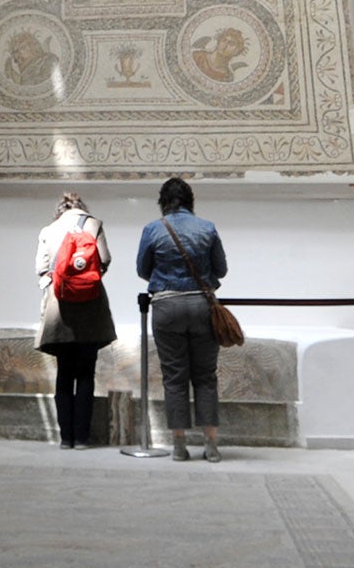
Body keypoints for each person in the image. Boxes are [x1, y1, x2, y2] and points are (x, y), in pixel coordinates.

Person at [136, 176, 227, 462]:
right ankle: (210, 444)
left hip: (166, 307)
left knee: (174, 377)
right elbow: (221, 270)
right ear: (191, 201)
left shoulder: (153, 229)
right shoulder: (208, 228)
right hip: (202, 306)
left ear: (163, 202)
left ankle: (178, 445)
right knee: (205, 377)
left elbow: (142, 269)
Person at [34, 192, 116, 449]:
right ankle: (82, 438)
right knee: (86, 374)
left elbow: (40, 268)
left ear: (59, 209)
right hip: (90, 308)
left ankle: (65, 438)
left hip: (60, 310)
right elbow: (104, 259)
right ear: (82, 207)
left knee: (64, 374)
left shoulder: (48, 230)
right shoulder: (94, 224)